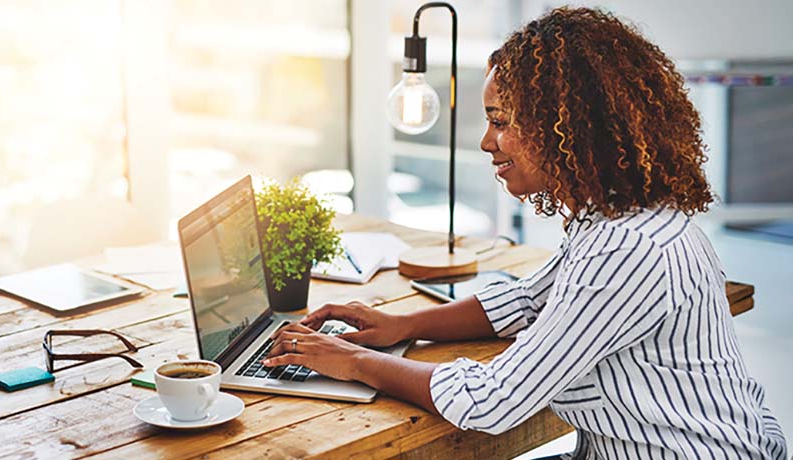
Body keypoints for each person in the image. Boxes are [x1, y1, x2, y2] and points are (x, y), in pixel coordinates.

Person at [264, 7, 788, 459]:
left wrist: (353, 361)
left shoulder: (628, 248)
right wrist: (402, 325)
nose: (487, 141)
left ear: (568, 127)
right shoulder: (617, 217)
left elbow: (494, 401)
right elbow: (525, 301)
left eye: (500, 120)